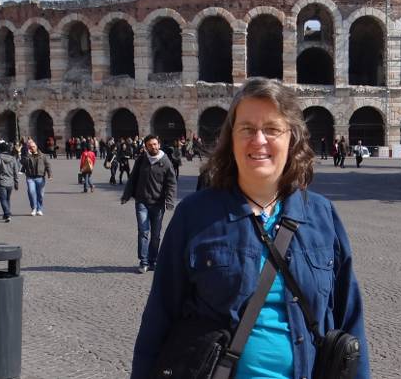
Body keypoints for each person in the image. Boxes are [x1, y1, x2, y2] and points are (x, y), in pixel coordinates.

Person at [129, 78, 370, 379]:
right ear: (231, 139)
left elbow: (349, 320)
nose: (259, 140)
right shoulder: (195, 215)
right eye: (247, 129)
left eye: (272, 129)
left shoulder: (321, 215)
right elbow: (158, 321)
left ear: (292, 139)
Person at [120, 135, 177, 274]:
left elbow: (171, 183)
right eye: (150, 145)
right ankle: (144, 262)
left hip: (158, 203)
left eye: (155, 144)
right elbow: (133, 177)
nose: (154, 147)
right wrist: (126, 195)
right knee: (143, 232)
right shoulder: (142, 159)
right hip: (142, 201)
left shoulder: (165, 161)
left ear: (159, 144)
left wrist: (169, 201)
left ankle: (153, 261)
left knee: (156, 235)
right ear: (146, 146)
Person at [21, 139, 52, 216]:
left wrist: (50, 174)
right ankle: (34, 208)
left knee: (40, 194)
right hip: (30, 177)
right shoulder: (27, 156)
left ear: (36, 147)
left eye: (33, 146)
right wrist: (27, 155)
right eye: (30, 147)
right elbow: (22, 163)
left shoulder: (42, 155)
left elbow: (48, 165)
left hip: (40, 177)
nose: (32, 148)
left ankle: (39, 209)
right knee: (31, 192)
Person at [0, 142, 20, 222]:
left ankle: (7, 214)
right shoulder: (13, 158)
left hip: (1, 182)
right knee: (7, 199)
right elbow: (16, 172)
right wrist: (16, 182)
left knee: (3, 199)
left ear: (0, 149)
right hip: (10, 182)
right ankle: (6, 214)